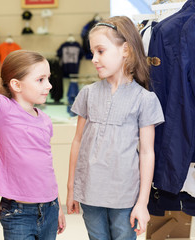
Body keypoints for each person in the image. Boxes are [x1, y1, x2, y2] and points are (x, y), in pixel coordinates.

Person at [66, 16, 164, 240]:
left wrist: (142, 202)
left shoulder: (144, 99)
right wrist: (71, 189)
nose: (94, 59)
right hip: (89, 193)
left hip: (125, 197)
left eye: (100, 51)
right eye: (92, 53)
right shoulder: (88, 93)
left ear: (126, 50)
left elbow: (148, 152)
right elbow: (77, 142)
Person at [0, 50, 66, 239]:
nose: (49, 85)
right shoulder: (3, 109)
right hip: (18, 213)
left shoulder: (45, 120)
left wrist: (58, 205)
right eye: (41, 80)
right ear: (16, 84)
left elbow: (46, 168)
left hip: (50, 208)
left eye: (48, 79)